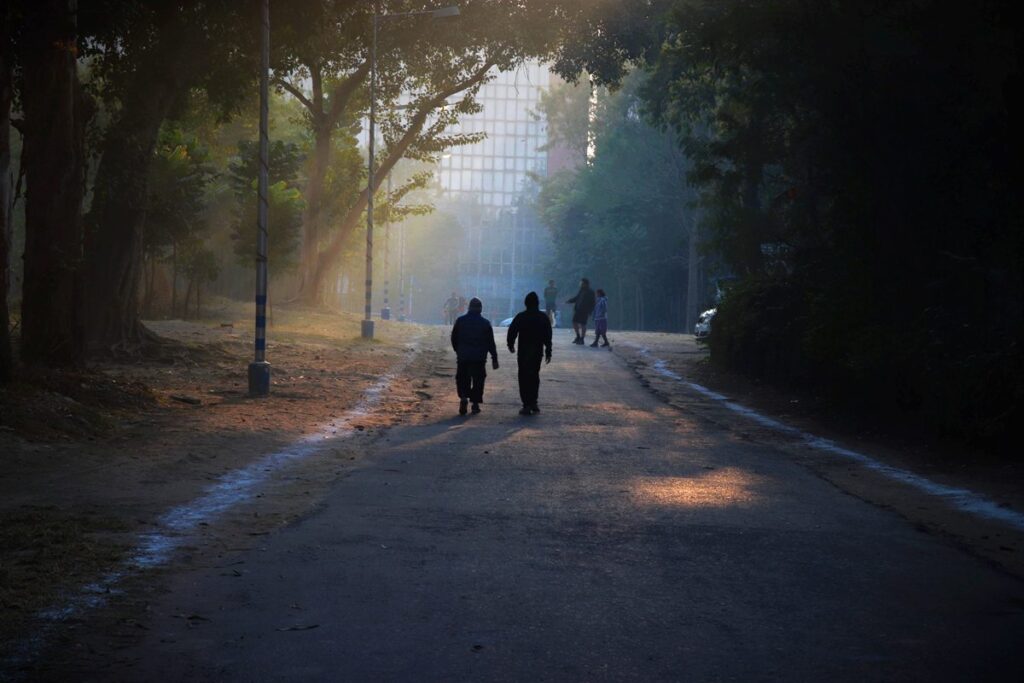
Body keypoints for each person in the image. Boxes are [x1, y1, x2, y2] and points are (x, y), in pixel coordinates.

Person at [506, 291, 553, 415]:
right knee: (534, 376)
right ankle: (534, 402)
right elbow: (548, 336)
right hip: (537, 352)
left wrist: (510, 344)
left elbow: (512, 331)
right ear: (537, 303)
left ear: (526, 303)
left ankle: (526, 404)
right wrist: (548, 351)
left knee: (523, 376)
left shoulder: (521, 316)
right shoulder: (543, 318)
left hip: (524, 352)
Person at [450, 297, 499, 415]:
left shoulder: (460, 321)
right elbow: (490, 342)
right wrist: (494, 358)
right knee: (478, 380)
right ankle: (475, 404)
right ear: (481, 309)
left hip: (463, 356)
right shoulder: (485, 323)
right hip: (479, 358)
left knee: (462, 378)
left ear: (469, 308)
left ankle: (463, 397)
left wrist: (458, 350)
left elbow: (453, 338)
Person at [566, 277, 596, 345]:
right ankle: (578, 336)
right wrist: (569, 301)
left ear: (585, 284)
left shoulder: (590, 292)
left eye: (581, 283)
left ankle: (582, 339)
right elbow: (577, 298)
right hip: (578, 310)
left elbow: (593, 303)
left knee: (583, 324)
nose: (580, 284)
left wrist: (590, 311)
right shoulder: (581, 290)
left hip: (584, 310)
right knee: (574, 322)